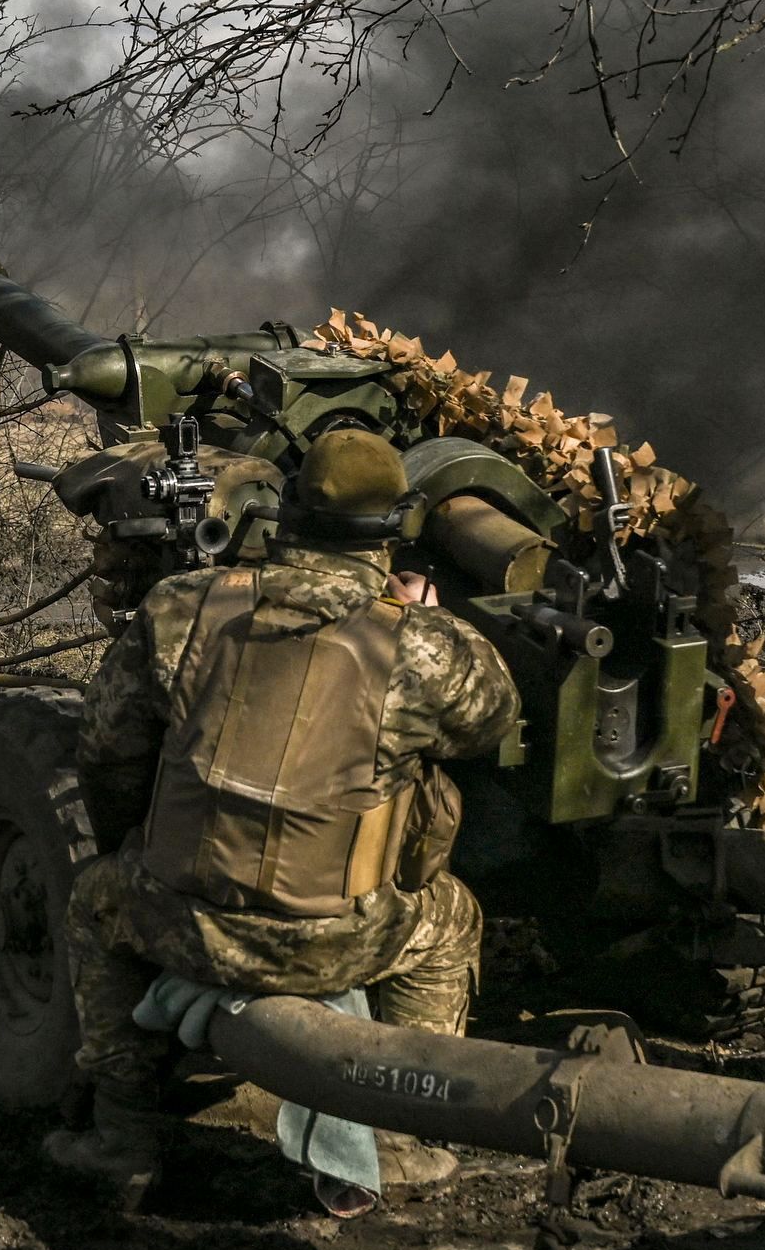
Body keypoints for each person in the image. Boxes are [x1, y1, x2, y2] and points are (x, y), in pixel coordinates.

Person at [43, 427, 521, 1208]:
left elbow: (106, 749)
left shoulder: (179, 609)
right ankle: (394, 1142)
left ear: (287, 512)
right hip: (339, 944)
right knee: (451, 921)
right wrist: (426, 618)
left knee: (96, 901)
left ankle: (120, 1137)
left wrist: (137, 848)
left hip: (183, 923)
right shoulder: (422, 647)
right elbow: (491, 721)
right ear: (393, 527)